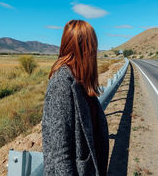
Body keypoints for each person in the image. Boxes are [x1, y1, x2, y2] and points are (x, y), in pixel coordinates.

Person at [42, 20, 109, 176]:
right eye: (92, 45)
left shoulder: (81, 80)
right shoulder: (61, 83)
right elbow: (60, 152)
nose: (95, 51)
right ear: (82, 48)